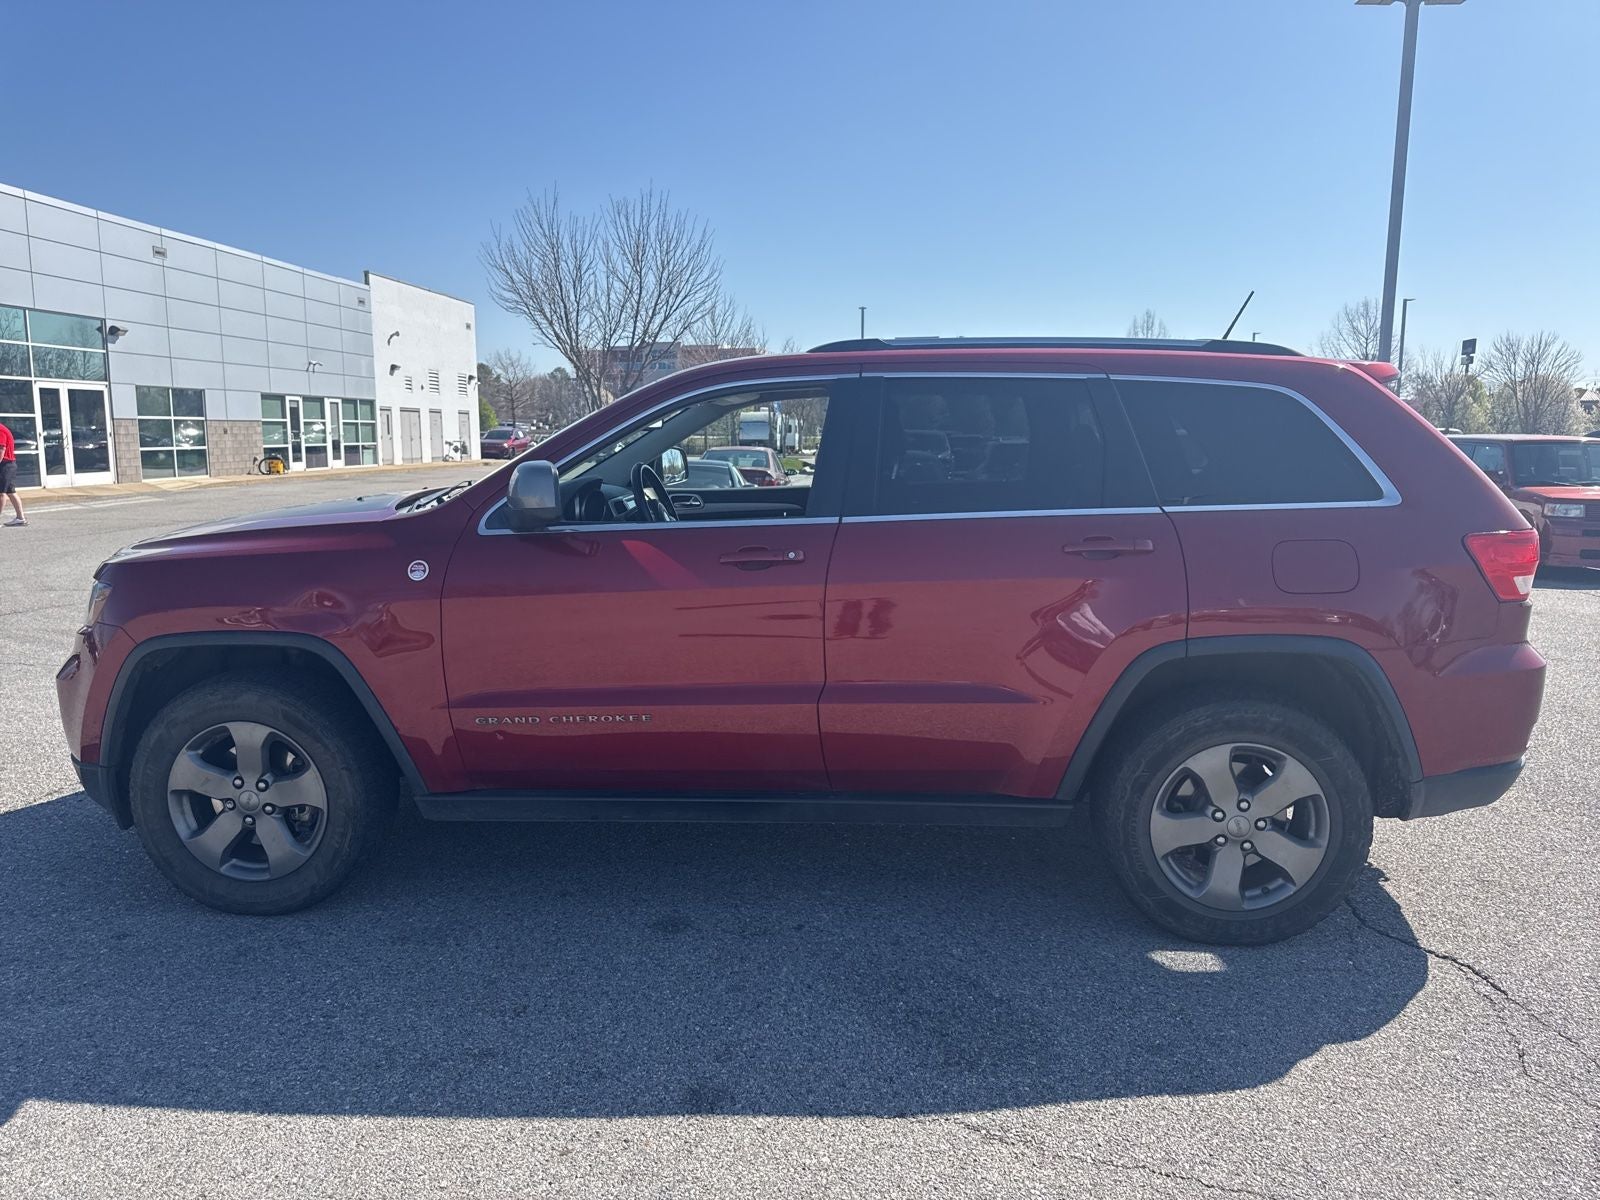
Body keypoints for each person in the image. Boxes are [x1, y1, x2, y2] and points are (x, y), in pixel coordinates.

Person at [0, 419, 26, 526]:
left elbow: (1, 449)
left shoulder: (0, 430)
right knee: (11, 491)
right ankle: (20, 518)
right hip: (9, 464)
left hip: (6, 465)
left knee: (1, 493)